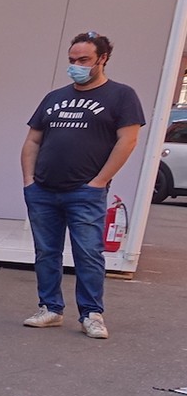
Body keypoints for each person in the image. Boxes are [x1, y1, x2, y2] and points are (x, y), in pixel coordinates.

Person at [20, 31, 144, 340]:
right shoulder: (54, 98)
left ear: (103, 59)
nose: (76, 66)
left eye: (84, 60)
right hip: (44, 190)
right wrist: (29, 182)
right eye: (72, 60)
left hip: (84, 193)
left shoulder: (121, 96)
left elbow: (127, 141)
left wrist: (98, 182)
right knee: (46, 252)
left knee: (88, 253)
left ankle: (91, 314)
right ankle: (50, 308)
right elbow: (33, 140)